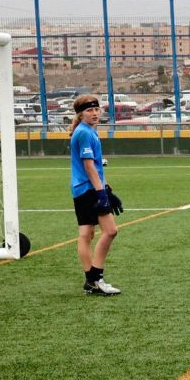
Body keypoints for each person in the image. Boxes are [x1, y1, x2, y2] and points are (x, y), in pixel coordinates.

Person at [67, 95, 121, 296]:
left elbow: (95, 167)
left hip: (83, 189)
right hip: (88, 190)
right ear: (80, 114)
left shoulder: (86, 132)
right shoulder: (84, 134)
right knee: (110, 231)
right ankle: (95, 278)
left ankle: (91, 281)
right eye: (90, 110)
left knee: (87, 234)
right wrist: (101, 193)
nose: (95, 113)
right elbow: (89, 167)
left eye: (97, 109)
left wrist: (107, 188)